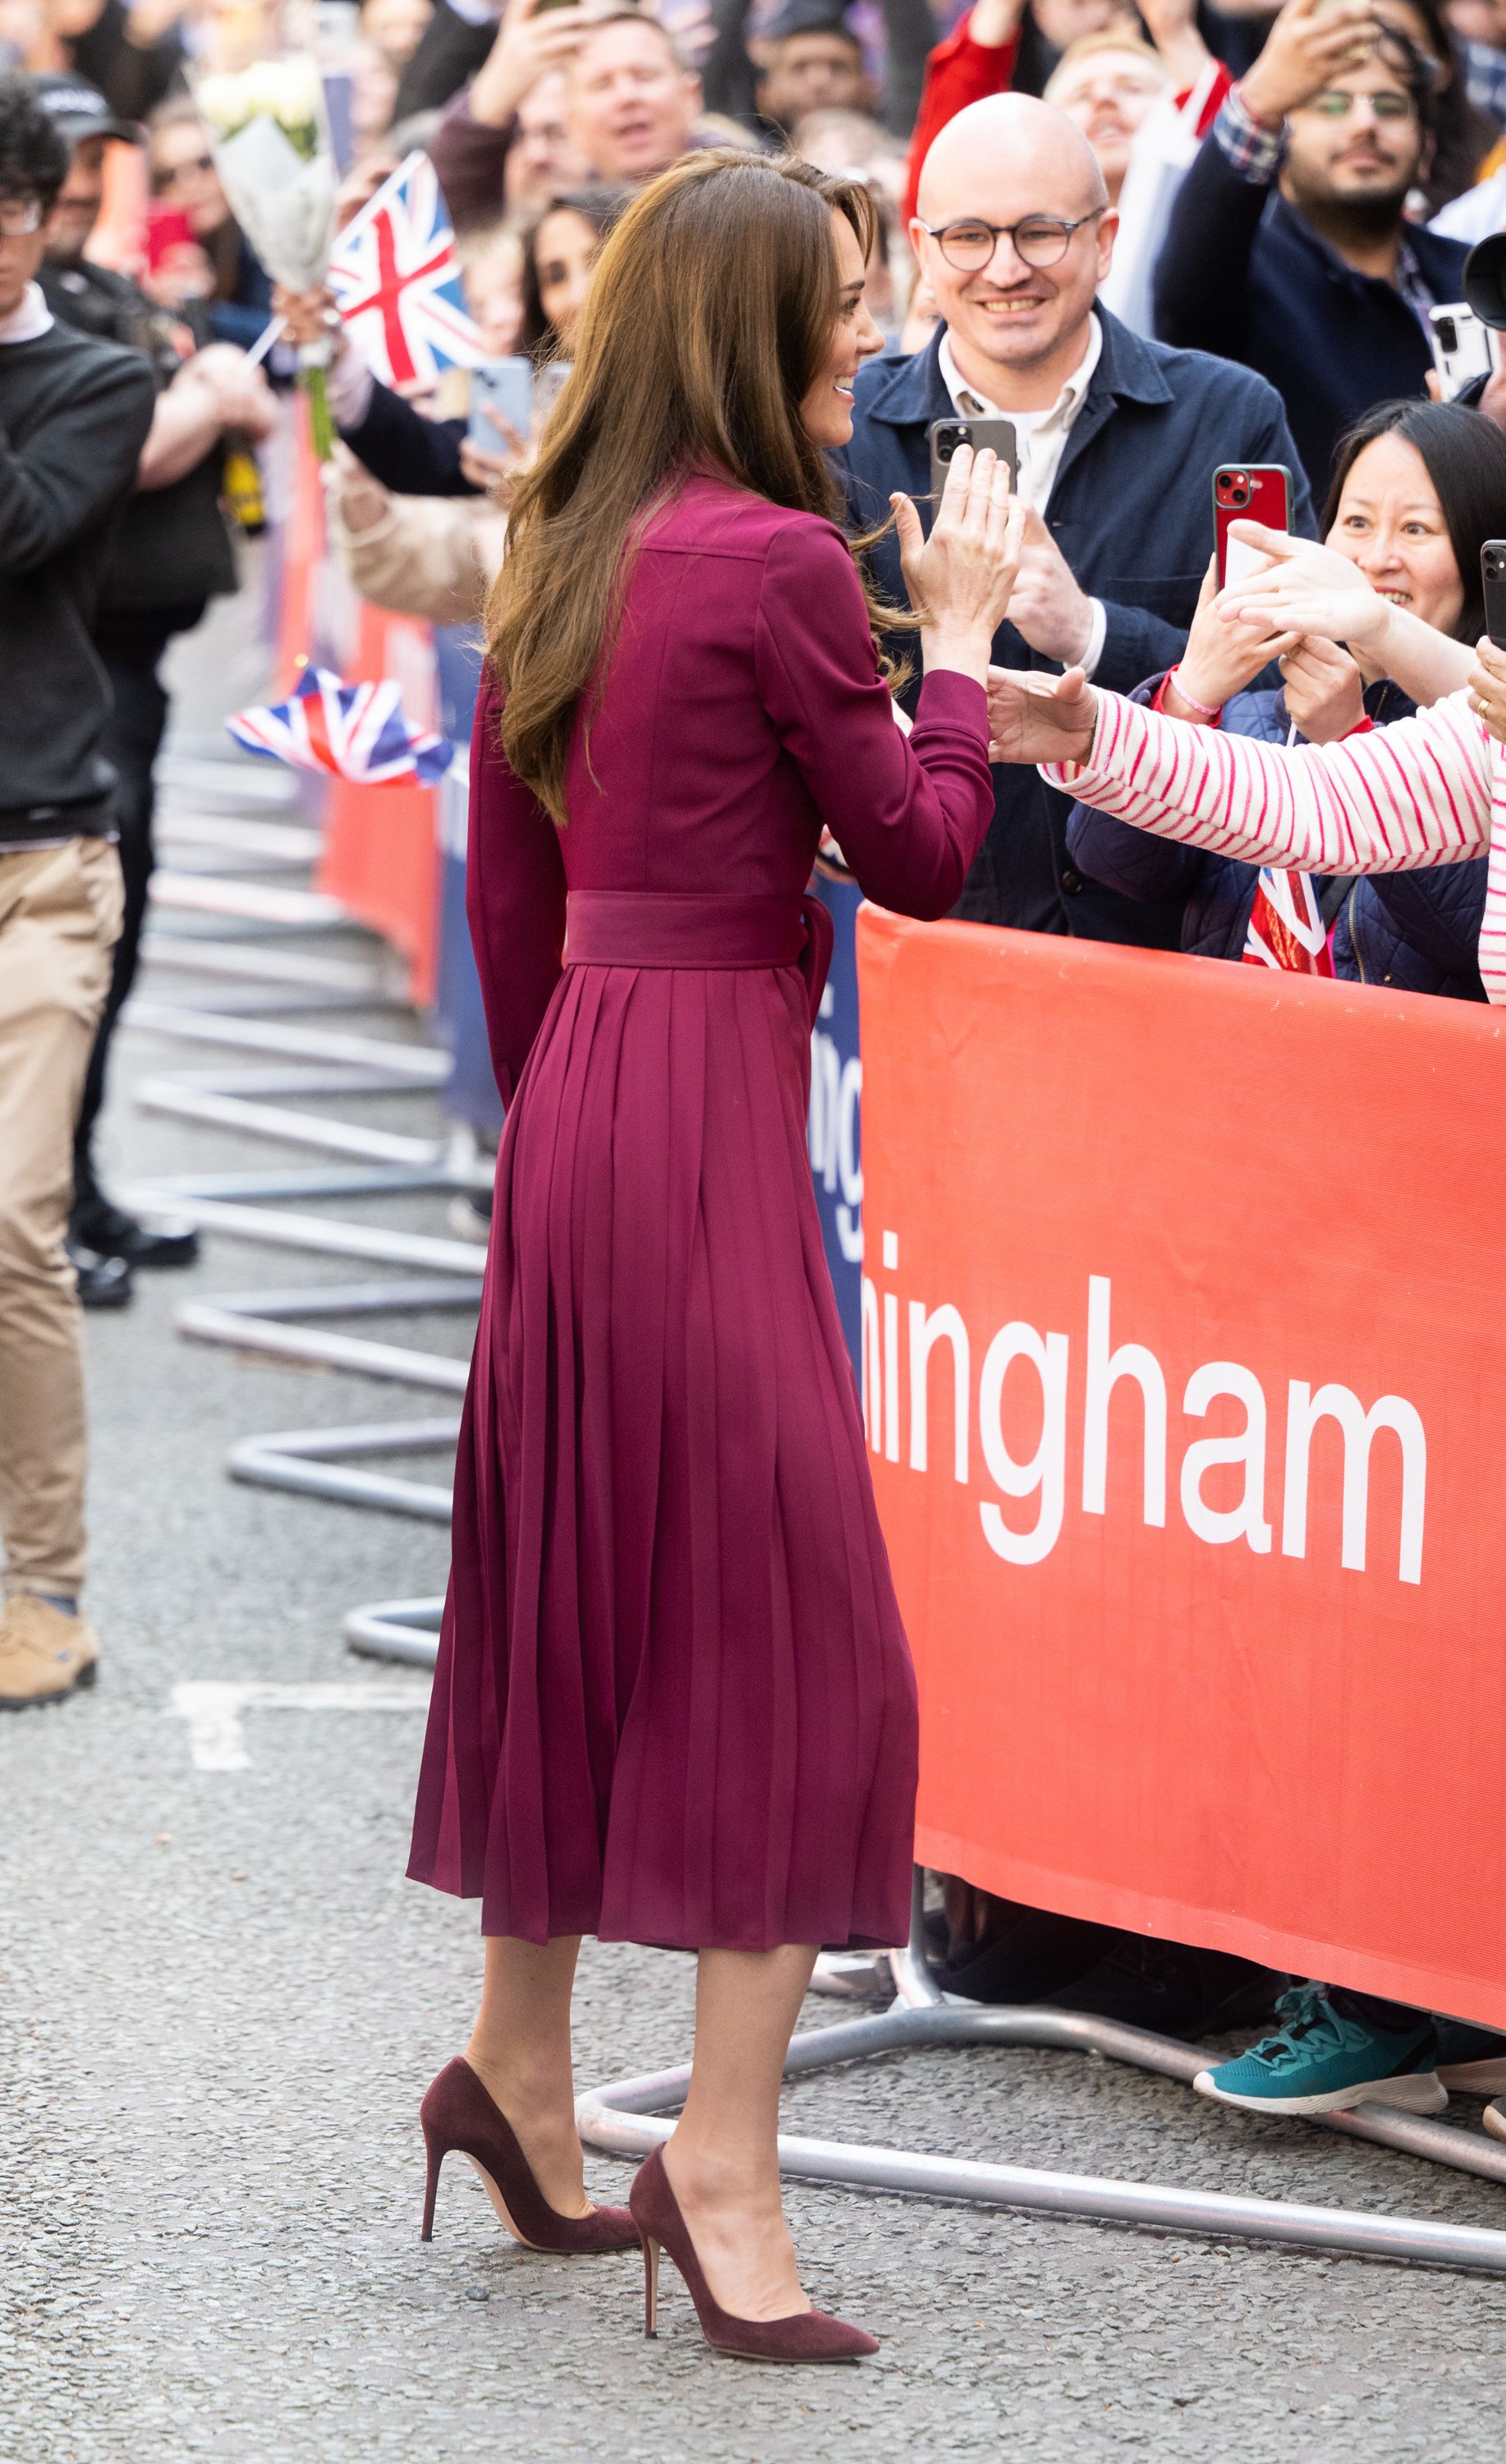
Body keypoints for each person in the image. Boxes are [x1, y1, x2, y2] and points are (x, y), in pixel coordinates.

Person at [407, 146, 1022, 2358]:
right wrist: (946, 653)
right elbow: (930, 858)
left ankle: (522, 2068)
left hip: (576, 1096)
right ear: (752, 335)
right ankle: (723, 2163)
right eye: (844, 305)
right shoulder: (776, 563)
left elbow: (504, 910)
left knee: (578, 1587)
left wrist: (547, 1140)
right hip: (691, 1104)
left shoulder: (559, 544)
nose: (869, 336)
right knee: (805, 1650)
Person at [838, 90, 1313, 944]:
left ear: (1104, 242)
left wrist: (1091, 633)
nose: (1006, 269)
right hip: (937, 958)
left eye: (1040, 232)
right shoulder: (841, 430)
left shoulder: (1227, 417)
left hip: (1173, 962)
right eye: (970, 236)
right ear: (922, 250)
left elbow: (1293, 699)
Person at [33, 72, 278, 1294]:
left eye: (91, 159)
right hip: (72, 662)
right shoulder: (41, 312)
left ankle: (70, 1181)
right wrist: (189, 403)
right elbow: (100, 455)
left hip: (131, 659)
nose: (77, 185)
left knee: (108, 940)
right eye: (57, 163)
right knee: (75, 946)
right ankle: (47, 1205)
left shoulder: (102, 290)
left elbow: (226, 370)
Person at [1067, 398, 1506, 998]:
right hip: (1239, 1068)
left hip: (1399, 1078)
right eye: (1355, 523)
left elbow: (1467, 936)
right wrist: (1189, 694)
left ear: (1482, 550)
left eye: (1416, 529)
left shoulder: (1484, 732)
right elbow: (1109, 861)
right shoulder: (1255, 712)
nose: (1377, 559)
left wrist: (1350, 739)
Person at [0, 75, 154, 1706]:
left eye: (7, 203)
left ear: (48, 213)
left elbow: (20, 527)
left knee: (9, 1221)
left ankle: (43, 1574)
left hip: (43, 864)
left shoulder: (99, 378)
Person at [1152, 0, 1472, 494]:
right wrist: (1258, 101)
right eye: (1331, 104)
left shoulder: (1478, 277)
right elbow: (1186, 285)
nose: (1365, 123)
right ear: (1279, 143)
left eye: (1389, 106)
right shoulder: (1240, 275)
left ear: (1426, 147)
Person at [431, 4, 700, 233]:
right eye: (602, 84)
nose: (626, 96)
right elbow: (452, 225)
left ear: (691, 97)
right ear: (572, 120)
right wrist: (489, 101)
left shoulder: (739, 198)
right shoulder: (561, 230)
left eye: (644, 76)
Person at [148, 94, 273, 353]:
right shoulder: (165, 250)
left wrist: (202, 308)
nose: (190, 183)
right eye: (170, 175)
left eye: (205, 163)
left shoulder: (270, 239)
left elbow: (286, 344)